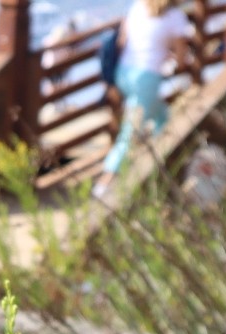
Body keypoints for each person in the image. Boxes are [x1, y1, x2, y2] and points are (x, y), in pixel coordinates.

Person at [92, 0, 192, 199]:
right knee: (130, 132)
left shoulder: (138, 7)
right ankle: (104, 184)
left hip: (124, 73)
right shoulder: (175, 16)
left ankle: (156, 167)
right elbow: (182, 58)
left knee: (163, 118)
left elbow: (122, 41)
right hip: (146, 79)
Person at [41, 20, 78, 105]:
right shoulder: (60, 43)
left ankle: (53, 104)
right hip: (55, 66)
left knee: (55, 86)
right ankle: (54, 104)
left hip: (52, 66)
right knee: (57, 86)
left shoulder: (49, 41)